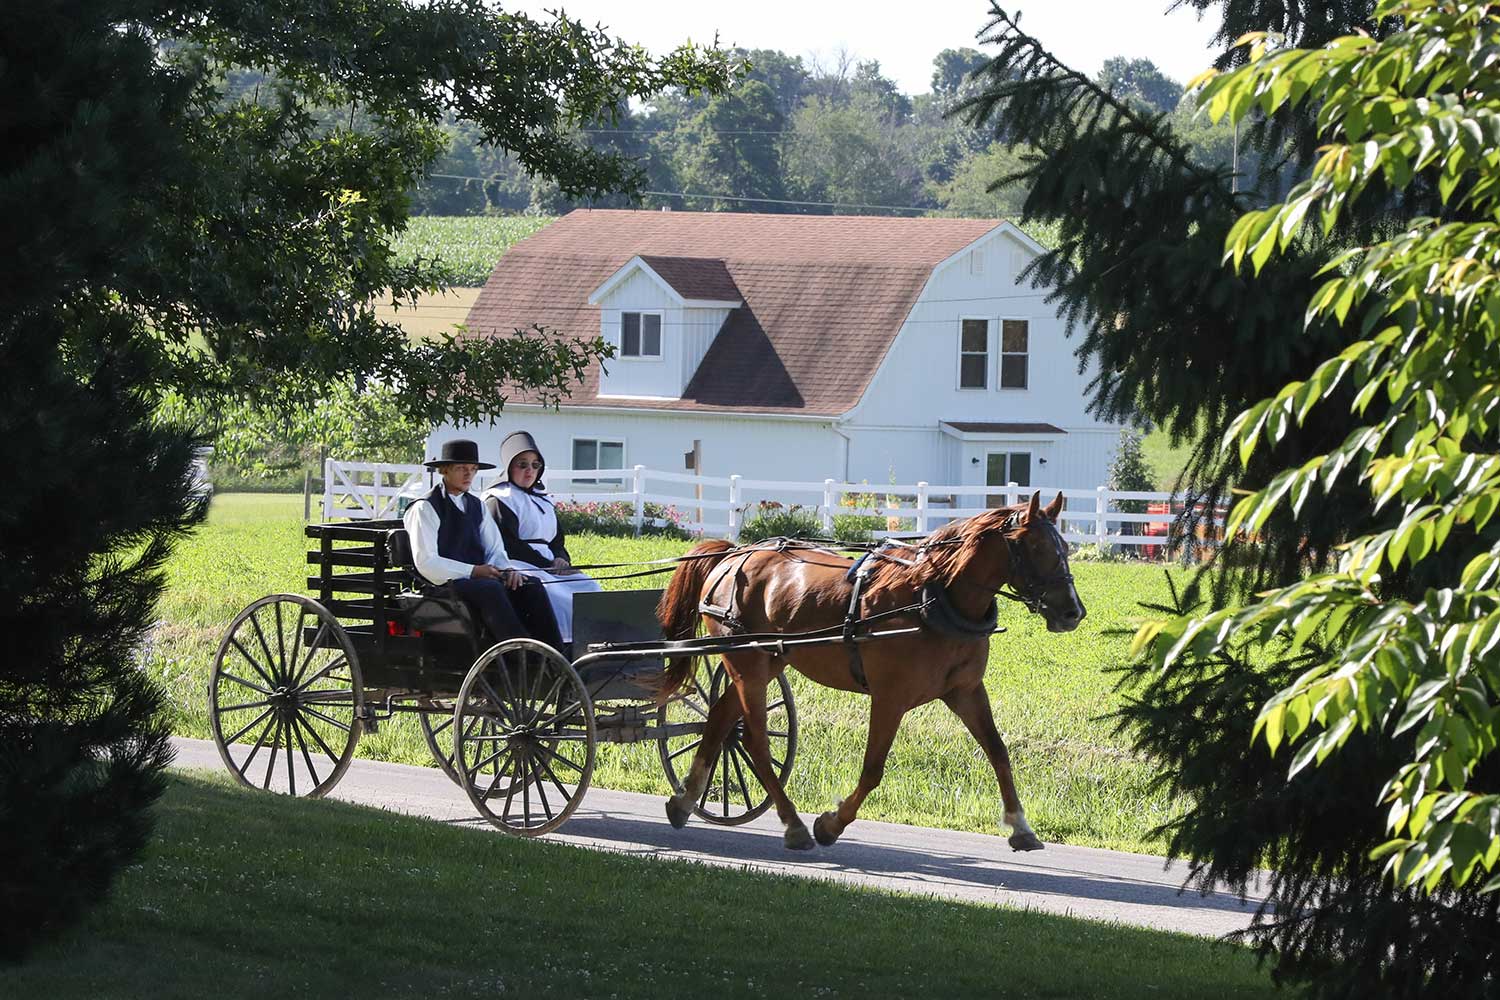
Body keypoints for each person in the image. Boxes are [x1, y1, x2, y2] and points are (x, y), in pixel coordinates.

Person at [402, 438, 564, 651]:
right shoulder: (425, 508)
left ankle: (555, 652)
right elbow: (427, 562)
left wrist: (507, 569)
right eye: (461, 468)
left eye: (473, 469)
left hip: (477, 579)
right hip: (441, 584)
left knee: (530, 585)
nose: (468, 474)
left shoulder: (476, 506)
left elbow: (495, 549)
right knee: (489, 589)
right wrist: (474, 571)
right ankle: (520, 653)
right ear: (444, 470)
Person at [482, 431, 602, 647]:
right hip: (517, 565)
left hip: (550, 566)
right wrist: (547, 565)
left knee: (589, 587)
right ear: (510, 466)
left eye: (535, 465)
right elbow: (509, 545)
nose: (530, 471)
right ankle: (564, 648)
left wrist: (560, 559)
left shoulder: (544, 501)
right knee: (557, 596)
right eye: (523, 464)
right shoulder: (499, 499)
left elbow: (557, 540)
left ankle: (594, 644)